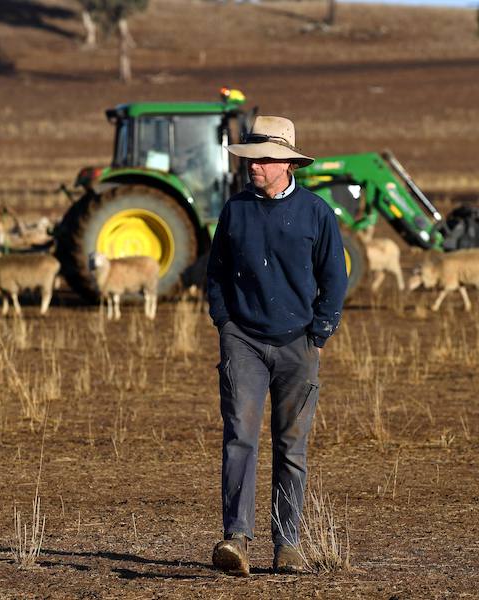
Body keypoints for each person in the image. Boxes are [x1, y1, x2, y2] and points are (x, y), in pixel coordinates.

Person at [205, 116, 349, 576]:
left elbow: (334, 277)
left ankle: (287, 545)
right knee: (240, 438)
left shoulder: (317, 212)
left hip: (298, 344)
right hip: (242, 341)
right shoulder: (235, 210)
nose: (255, 167)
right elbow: (216, 274)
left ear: (287, 163)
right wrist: (226, 325)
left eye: (264, 160)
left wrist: (319, 334)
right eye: (251, 159)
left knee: (291, 447)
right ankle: (237, 540)